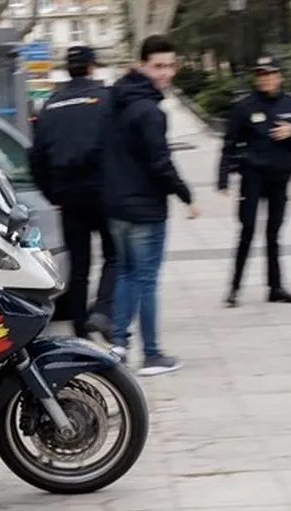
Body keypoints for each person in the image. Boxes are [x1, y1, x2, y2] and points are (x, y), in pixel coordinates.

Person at [103, 35, 200, 376]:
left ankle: (117, 345)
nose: (165, 73)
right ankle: (153, 354)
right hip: (144, 209)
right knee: (146, 281)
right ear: (142, 64)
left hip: (116, 207)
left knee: (127, 274)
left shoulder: (115, 100)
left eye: (170, 65)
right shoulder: (150, 111)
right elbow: (160, 162)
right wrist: (186, 195)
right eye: (158, 66)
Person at [29, 45, 116, 341]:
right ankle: (103, 309)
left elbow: (36, 157)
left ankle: (80, 331)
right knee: (115, 256)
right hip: (104, 192)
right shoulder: (106, 100)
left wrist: (52, 193)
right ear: (92, 67)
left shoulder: (51, 106)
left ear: (68, 69)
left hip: (68, 195)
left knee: (79, 266)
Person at [218, 56, 291, 308]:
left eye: (270, 74)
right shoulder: (244, 106)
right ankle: (234, 289)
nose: (265, 78)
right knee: (247, 230)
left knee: (273, 233)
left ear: (279, 76)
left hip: (280, 178)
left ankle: (275, 287)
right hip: (253, 177)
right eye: (260, 74)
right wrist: (223, 177)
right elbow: (229, 143)